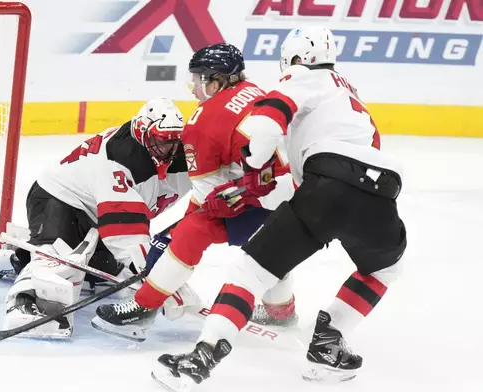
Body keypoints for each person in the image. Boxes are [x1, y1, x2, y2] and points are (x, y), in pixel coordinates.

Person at [153, 26, 407, 388]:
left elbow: (268, 120)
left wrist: (253, 164)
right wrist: (262, 189)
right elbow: (348, 162)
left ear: (299, 59)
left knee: (249, 274)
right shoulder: (352, 96)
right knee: (383, 270)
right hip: (382, 193)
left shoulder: (304, 78)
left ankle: (202, 357)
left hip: (326, 187)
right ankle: (329, 341)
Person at [91, 43, 297, 342]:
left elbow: (206, 194)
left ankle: (142, 308)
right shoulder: (255, 91)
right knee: (267, 243)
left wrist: (173, 236)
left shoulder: (203, 122)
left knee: (192, 232)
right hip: (303, 193)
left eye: (199, 79)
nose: (193, 88)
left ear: (217, 80)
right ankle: (282, 311)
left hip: (267, 196)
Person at [0, 97, 192, 338]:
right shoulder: (121, 158)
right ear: (142, 133)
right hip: (58, 197)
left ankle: (19, 259)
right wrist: (164, 282)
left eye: (172, 143)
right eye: (159, 142)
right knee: (59, 258)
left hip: (98, 214)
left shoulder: (183, 152)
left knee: (110, 273)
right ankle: (26, 300)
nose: (167, 151)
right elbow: (125, 235)